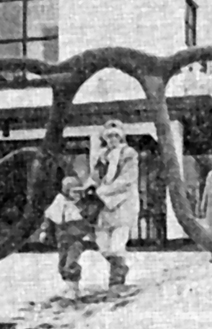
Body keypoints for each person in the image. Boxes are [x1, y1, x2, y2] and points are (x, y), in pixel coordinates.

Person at [83, 119, 140, 294]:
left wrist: (105, 190)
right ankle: (120, 268)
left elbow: (127, 179)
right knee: (103, 246)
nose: (112, 139)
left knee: (117, 244)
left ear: (121, 137)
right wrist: (90, 187)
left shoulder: (129, 154)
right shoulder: (101, 156)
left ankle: (115, 281)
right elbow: (94, 176)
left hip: (122, 203)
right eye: (109, 136)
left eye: (116, 135)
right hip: (103, 206)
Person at [38, 176, 94, 299]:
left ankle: (74, 287)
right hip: (62, 238)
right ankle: (68, 285)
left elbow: (87, 222)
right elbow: (50, 218)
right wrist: (45, 232)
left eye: (80, 192)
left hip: (76, 238)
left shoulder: (81, 206)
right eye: (74, 192)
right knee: (62, 262)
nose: (77, 195)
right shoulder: (59, 203)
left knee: (71, 261)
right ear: (66, 191)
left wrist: (88, 234)